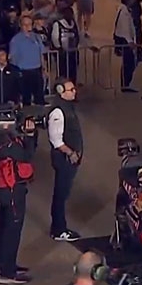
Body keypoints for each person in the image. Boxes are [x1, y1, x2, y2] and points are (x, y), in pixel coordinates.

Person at [0, 117, 37, 284]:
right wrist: (30, 135)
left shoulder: (3, 139)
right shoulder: (7, 144)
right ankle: (7, 273)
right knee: (12, 230)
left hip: (7, 189)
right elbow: (27, 155)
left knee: (5, 228)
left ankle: (5, 264)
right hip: (12, 191)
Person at [46, 79, 82, 241]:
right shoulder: (58, 112)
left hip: (69, 159)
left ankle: (58, 227)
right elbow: (56, 140)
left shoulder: (67, 107)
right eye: (71, 89)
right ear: (61, 92)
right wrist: (71, 153)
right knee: (60, 194)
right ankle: (58, 229)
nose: (74, 91)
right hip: (64, 159)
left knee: (63, 193)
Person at [9, 15, 47, 105]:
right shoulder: (15, 40)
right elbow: (12, 58)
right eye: (24, 25)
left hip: (37, 70)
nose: (27, 27)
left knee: (39, 96)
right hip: (24, 71)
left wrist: (44, 68)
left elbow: (41, 53)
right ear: (20, 25)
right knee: (26, 98)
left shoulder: (37, 37)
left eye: (29, 24)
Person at [113, 0, 140, 93]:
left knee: (128, 62)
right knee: (129, 62)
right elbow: (125, 28)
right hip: (125, 40)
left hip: (125, 39)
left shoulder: (124, 10)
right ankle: (125, 84)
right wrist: (130, 41)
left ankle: (126, 83)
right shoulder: (124, 12)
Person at [49, 7, 80, 82]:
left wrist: (76, 46)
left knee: (73, 71)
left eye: (71, 14)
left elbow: (77, 36)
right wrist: (59, 48)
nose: (70, 15)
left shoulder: (73, 24)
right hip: (62, 53)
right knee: (63, 71)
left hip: (72, 52)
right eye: (68, 13)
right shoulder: (58, 24)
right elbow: (55, 37)